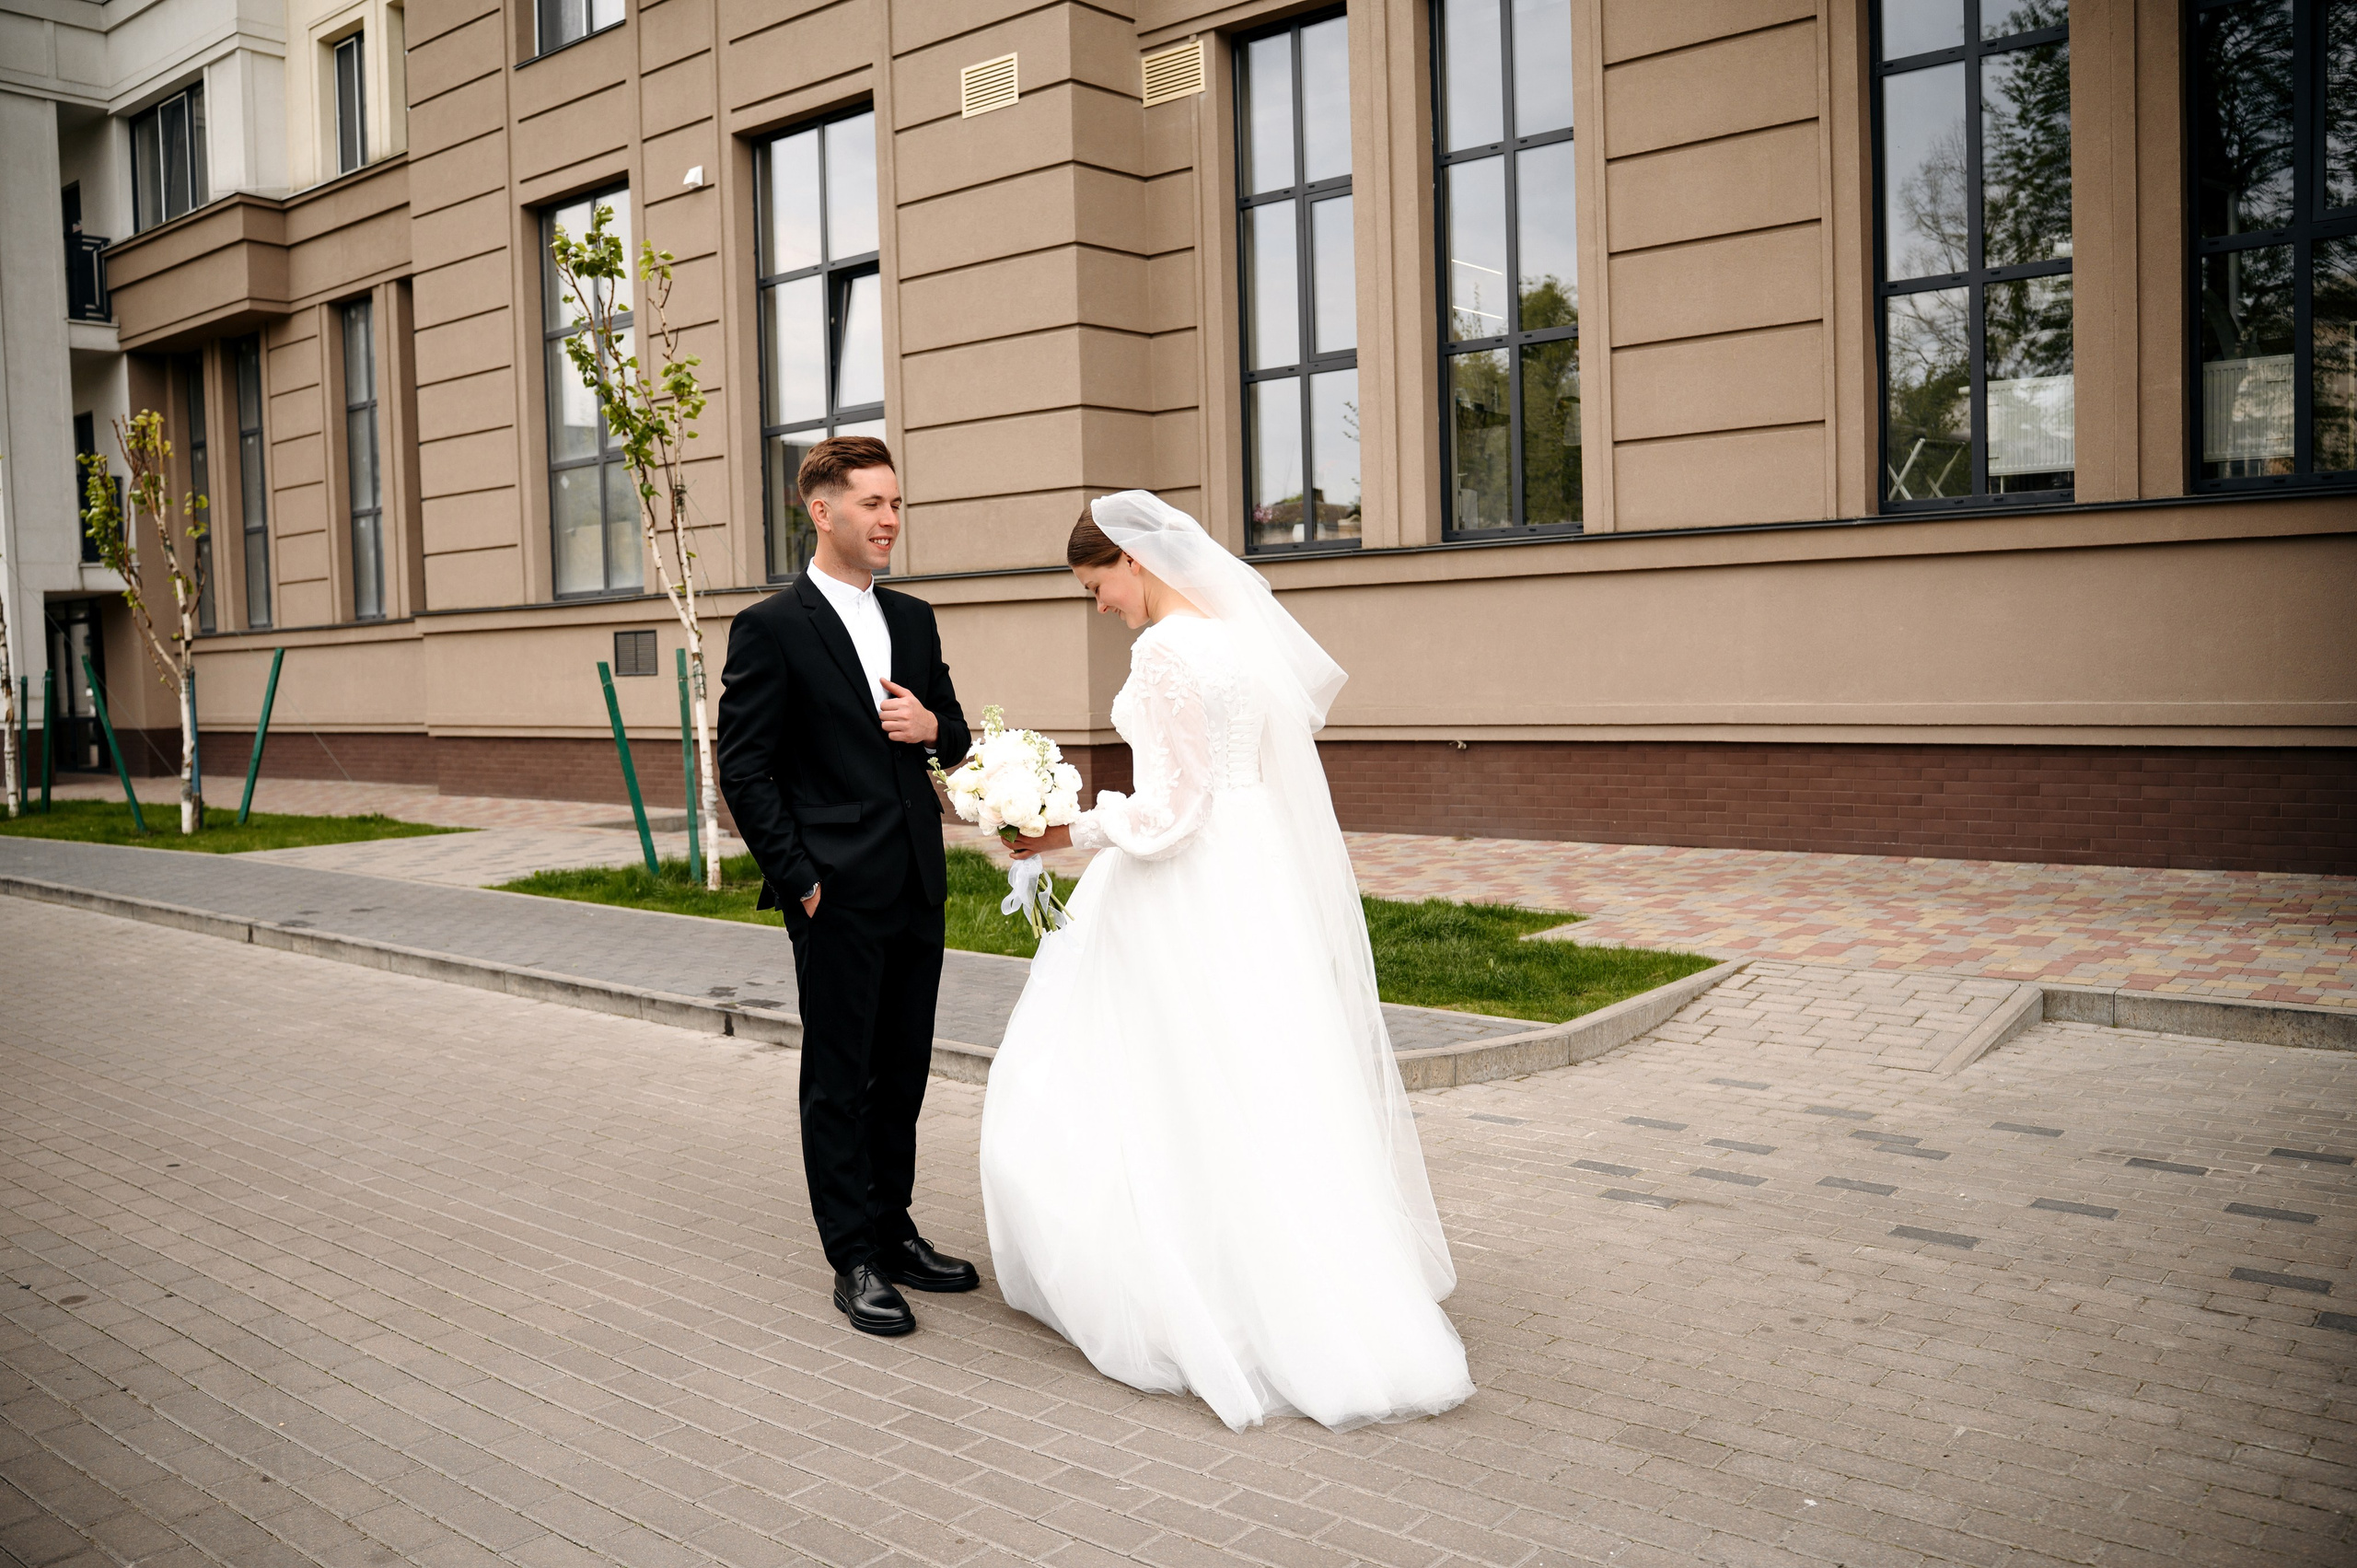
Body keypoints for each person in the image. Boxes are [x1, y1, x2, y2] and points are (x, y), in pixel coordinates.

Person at [980, 491, 1474, 1431]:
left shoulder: (1166, 650)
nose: (1099, 605)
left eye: (1096, 584)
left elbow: (1170, 816)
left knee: (1166, 1076)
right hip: (1254, 876)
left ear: (1132, 559)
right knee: (1261, 1074)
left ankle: (1203, 1288)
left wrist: (1057, 828)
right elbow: (1222, 785)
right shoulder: (1237, 640)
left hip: (1186, 883)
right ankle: (1311, 1280)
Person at [717, 436, 977, 1338]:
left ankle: (894, 1228)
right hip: (833, 889)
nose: (889, 519)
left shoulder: (913, 616)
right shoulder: (772, 627)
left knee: (901, 1068)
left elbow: (958, 736)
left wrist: (932, 724)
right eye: (871, 502)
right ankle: (853, 1256)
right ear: (820, 510)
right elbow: (744, 768)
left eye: (896, 503)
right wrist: (800, 879)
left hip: (915, 877)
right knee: (841, 1076)